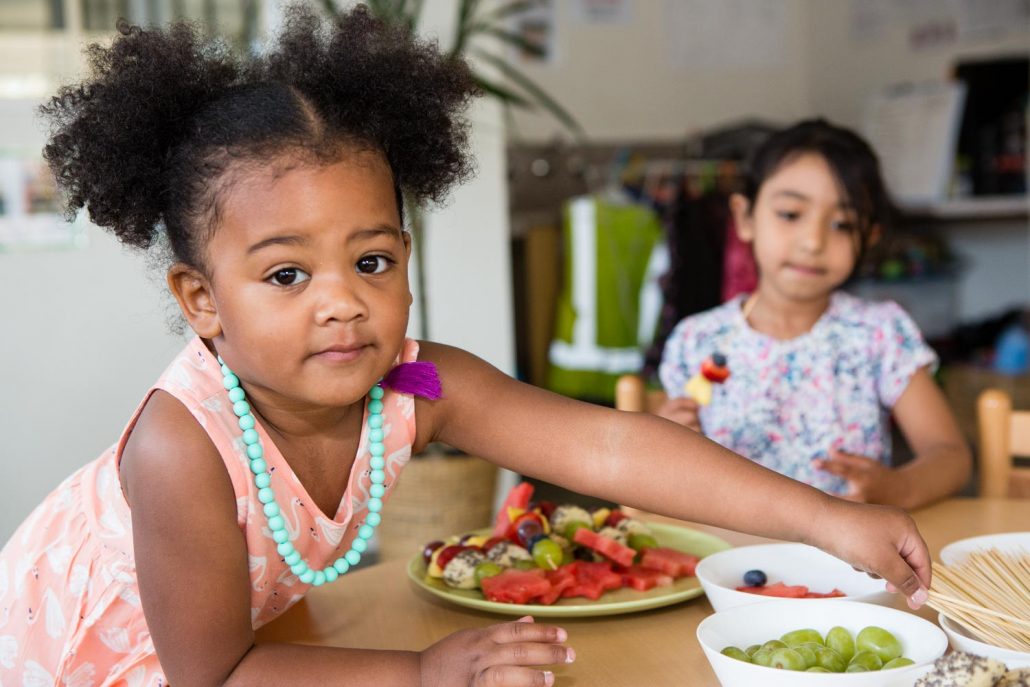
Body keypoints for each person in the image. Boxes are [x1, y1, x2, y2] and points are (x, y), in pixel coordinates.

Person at [1, 12, 932, 687]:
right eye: (287, 275)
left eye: (372, 260)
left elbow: (611, 445)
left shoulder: (416, 377)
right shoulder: (180, 449)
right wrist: (421, 670)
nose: (343, 304)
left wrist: (822, 519)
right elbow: (213, 672)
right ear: (201, 300)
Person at [657, 119, 971, 510]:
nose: (813, 242)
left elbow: (950, 456)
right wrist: (670, 445)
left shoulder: (879, 334)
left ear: (868, 236)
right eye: (790, 214)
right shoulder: (697, 341)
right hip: (729, 556)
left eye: (842, 223)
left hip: (847, 561)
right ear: (745, 217)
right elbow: (665, 482)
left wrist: (898, 488)